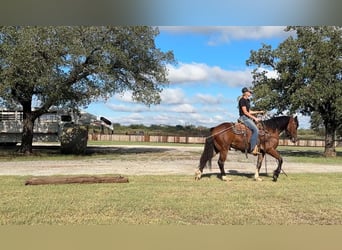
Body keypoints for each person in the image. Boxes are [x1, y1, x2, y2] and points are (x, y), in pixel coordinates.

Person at [238, 87, 264, 155]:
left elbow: (249, 111)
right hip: (244, 118)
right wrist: (255, 118)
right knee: (256, 130)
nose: (250, 93)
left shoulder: (248, 101)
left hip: (247, 117)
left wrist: (259, 112)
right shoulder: (242, 100)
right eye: (249, 92)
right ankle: (252, 149)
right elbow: (245, 112)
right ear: (245, 92)